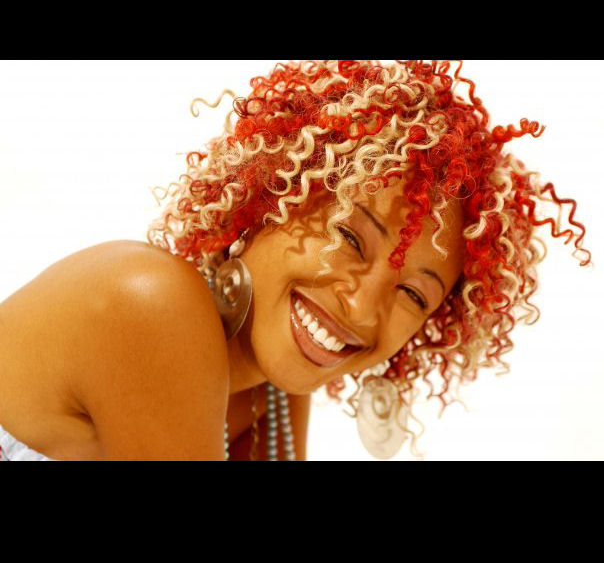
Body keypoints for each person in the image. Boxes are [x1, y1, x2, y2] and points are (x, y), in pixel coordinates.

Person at [0, 60, 592, 461]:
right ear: (271, 193)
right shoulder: (150, 304)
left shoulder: (274, 390)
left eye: (414, 294)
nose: (361, 307)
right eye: (351, 238)